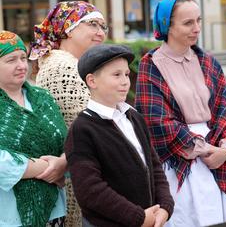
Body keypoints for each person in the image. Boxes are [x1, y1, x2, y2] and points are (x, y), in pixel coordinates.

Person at [134, 0, 226, 227]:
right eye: (188, 23)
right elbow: (156, 120)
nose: (196, 28)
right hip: (178, 165)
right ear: (167, 25)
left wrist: (225, 150)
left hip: (218, 157)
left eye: (198, 20)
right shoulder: (152, 64)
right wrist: (204, 149)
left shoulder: (207, 61)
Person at [64, 44, 174, 227]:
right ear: (92, 81)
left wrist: (165, 206)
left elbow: (154, 166)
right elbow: (90, 190)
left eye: (126, 74)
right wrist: (138, 217)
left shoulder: (134, 117)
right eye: (116, 75)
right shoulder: (82, 129)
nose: (125, 81)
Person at [29, 0, 108, 227]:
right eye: (92, 24)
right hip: (78, 177)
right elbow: (96, 119)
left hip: (82, 171)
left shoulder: (76, 64)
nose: (100, 32)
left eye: (103, 27)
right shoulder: (61, 66)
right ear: (67, 28)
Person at [0, 30, 67, 227]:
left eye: (23, 57)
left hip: (55, 209)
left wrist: (64, 162)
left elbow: (67, 141)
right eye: (11, 60)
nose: (21, 65)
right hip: (9, 215)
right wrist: (50, 168)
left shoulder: (42, 98)